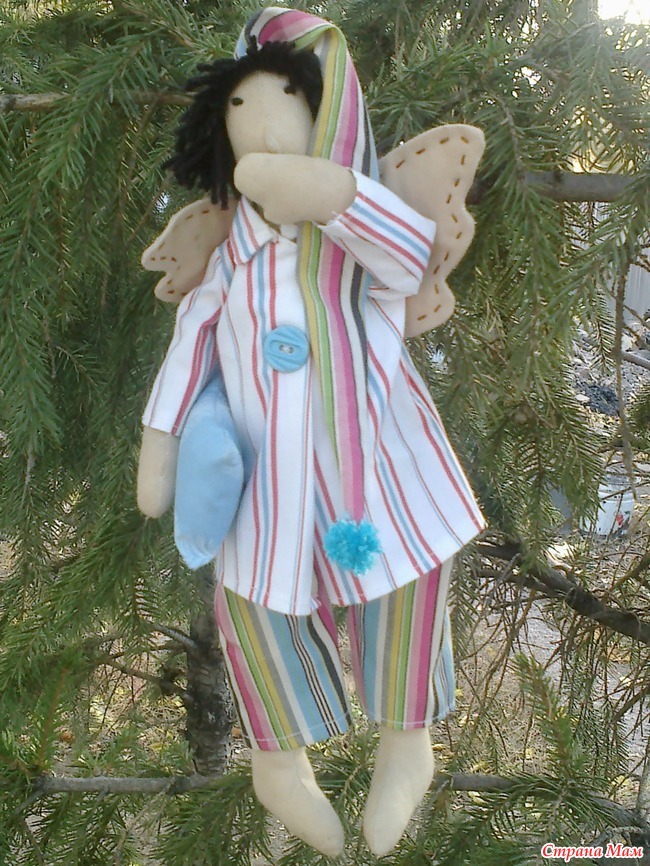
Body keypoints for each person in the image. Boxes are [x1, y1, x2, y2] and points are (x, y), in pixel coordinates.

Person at [138, 8, 485, 857]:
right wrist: (160, 444)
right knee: (257, 604)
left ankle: (408, 739)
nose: (261, 125)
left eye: (286, 103)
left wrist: (335, 196)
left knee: (408, 575)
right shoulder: (232, 258)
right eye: (240, 109)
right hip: (268, 473)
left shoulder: (356, 227)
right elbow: (190, 346)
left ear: (330, 118)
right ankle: (278, 760)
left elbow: (408, 258)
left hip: (378, 459)